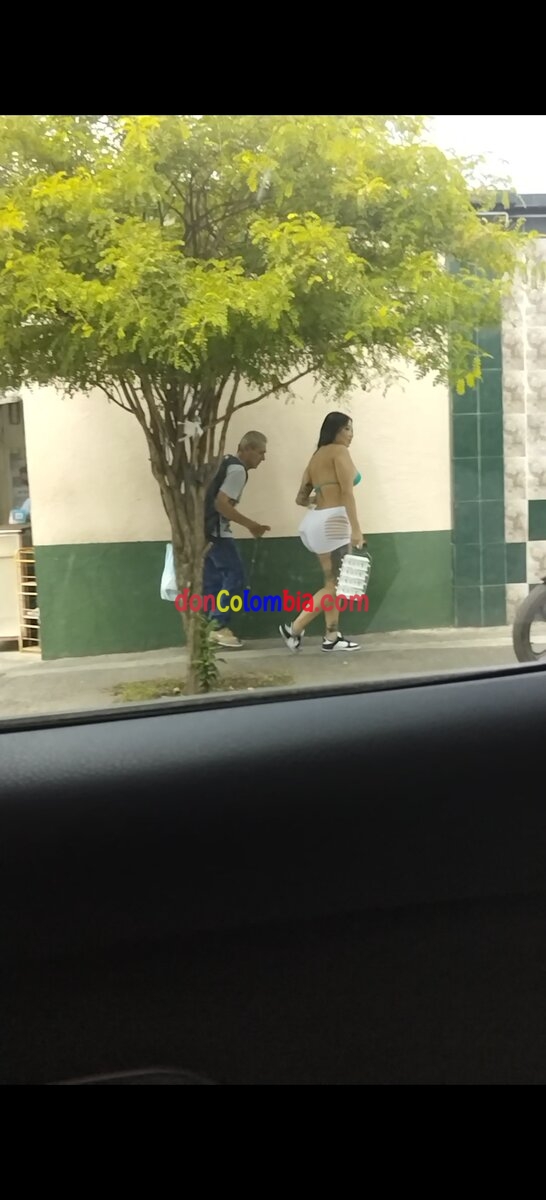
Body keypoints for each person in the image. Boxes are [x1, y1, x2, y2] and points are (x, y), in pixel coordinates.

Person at [279, 412, 366, 653]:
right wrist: (357, 530)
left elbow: (301, 498)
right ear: (336, 430)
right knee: (335, 586)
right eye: (347, 429)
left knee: (331, 583)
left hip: (316, 521)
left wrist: (322, 497)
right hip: (334, 522)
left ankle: (332, 636)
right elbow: (347, 493)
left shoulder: (316, 457)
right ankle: (294, 628)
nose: (351, 434)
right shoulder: (340, 452)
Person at [203, 431, 270, 648]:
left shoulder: (224, 463)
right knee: (235, 576)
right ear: (247, 449)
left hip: (203, 532)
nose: (263, 458)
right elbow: (221, 504)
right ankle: (218, 626)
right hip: (217, 533)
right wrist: (251, 525)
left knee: (213, 581)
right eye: (261, 453)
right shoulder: (238, 470)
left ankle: (208, 626)